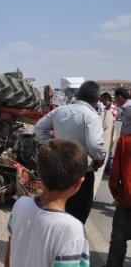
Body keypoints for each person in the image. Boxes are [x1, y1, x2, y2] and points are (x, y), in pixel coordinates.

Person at [5, 139, 90, 267]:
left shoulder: (20, 205)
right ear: (79, 183)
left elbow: (9, 255)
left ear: (38, 171)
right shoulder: (72, 229)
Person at [34, 80, 106, 224]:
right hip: (82, 171)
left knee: (57, 209)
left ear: (78, 95)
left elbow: (39, 129)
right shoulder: (91, 117)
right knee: (77, 216)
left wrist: (54, 145)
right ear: (96, 99)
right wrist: (100, 158)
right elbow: (94, 145)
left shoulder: (60, 110)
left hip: (58, 167)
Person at [105, 88, 131, 267]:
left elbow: (114, 175)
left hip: (126, 199)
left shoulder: (124, 142)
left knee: (119, 239)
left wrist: (116, 195)